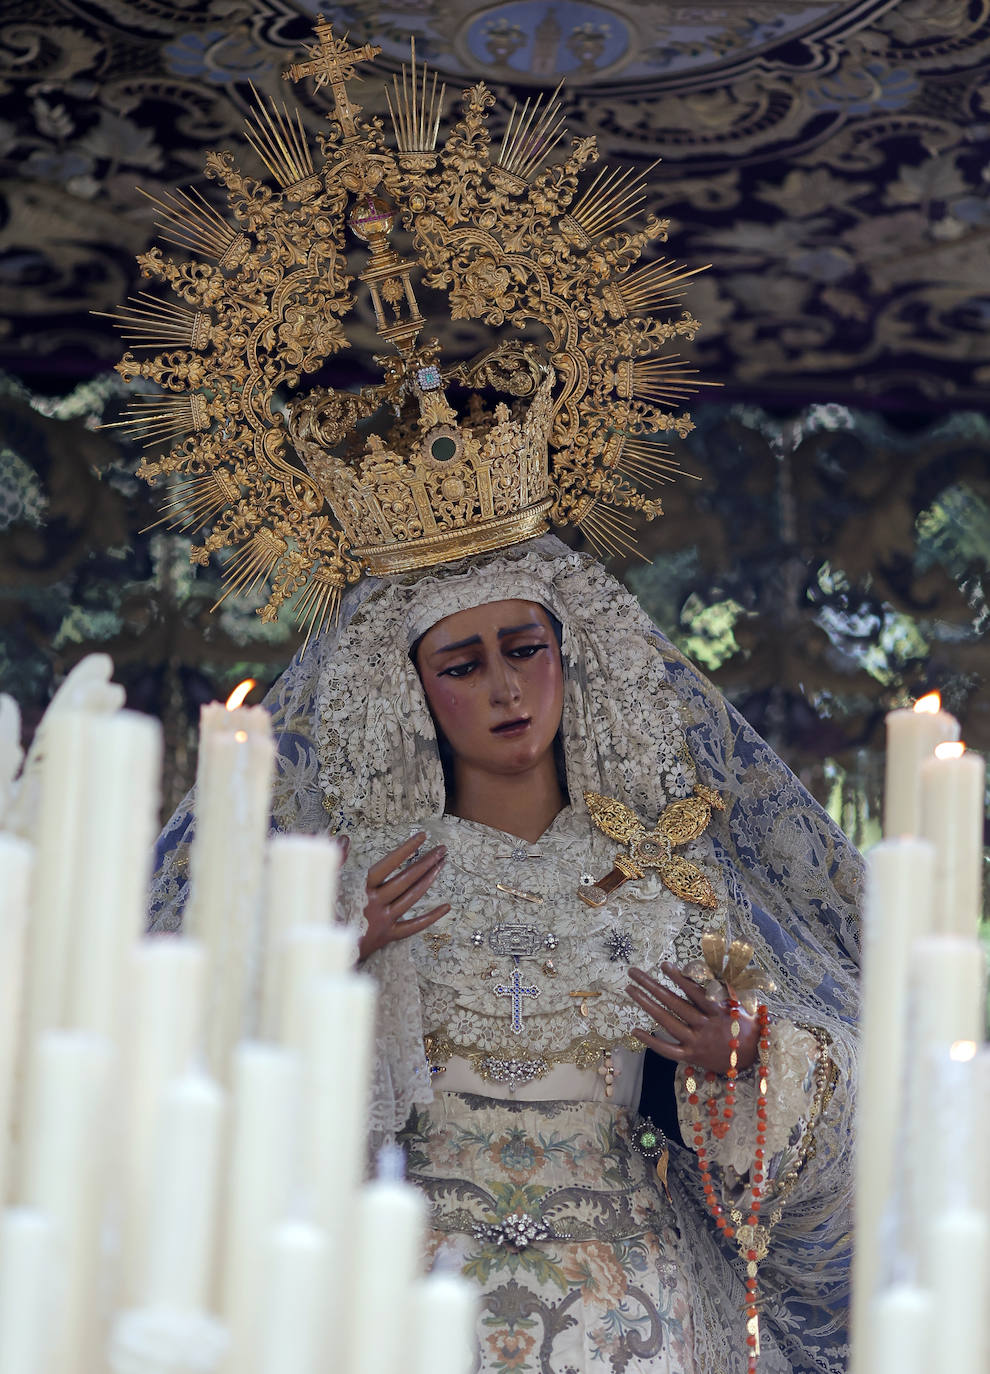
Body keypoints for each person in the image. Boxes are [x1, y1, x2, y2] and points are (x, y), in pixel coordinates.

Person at [150, 533, 859, 1374]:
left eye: (525, 651)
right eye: (462, 666)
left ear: (570, 655)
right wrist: (329, 958)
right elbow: (211, 1064)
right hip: (405, 1288)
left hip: (629, 1297)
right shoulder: (362, 877)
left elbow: (806, 1061)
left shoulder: (662, 874)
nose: (506, 688)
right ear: (411, 689)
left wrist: (743, 1056)